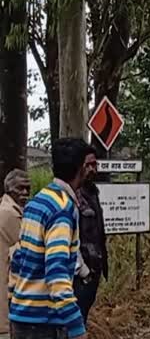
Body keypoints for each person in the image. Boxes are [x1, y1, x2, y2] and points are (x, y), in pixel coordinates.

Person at [9, 138, 89, 339]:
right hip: (45, 323)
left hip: (21, 317)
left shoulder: (37, 201)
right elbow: (57, 272)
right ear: (81, 168)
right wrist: (77, 327)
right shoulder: (62, 209)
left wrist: (14, 298)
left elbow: (18, 258)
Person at [74, 146, 108, 323]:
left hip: (94, 267)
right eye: (88, 165)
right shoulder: (73, 197)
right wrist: (83, 270)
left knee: (83, 316)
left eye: (95, 165)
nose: (92, 169)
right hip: (80, 272)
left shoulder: (93, 193)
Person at [0, 170, 31, 337]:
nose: (25, 193)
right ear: (9, 190)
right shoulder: (10, 214)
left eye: (27, 188)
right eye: (20, 188)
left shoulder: (6, 207)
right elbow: (27, 248)